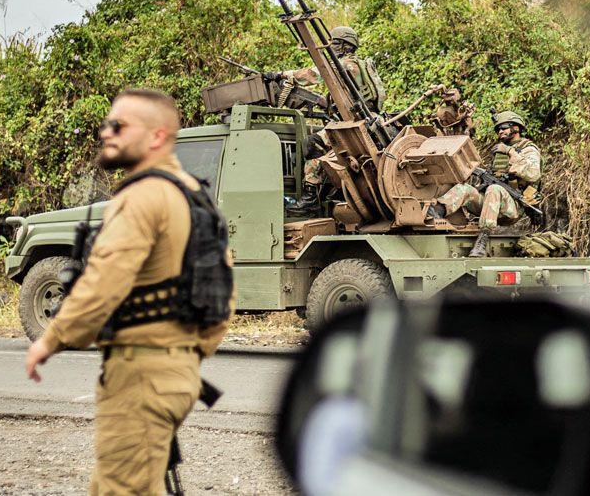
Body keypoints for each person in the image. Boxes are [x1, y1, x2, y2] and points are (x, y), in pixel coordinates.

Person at [24, 89, 233, 493]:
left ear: (156, 137)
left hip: (139, 378)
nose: (107, 132)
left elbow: (103, 283)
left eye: (119, 126)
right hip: (175, 377)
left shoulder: (140, 198)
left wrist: (50, 340)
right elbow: (224, 298)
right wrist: (185, 355)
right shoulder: (196, 196)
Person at [267, 26, 386, 217]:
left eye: (335, 43)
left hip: (354, 123)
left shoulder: (346, 65)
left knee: (311, 145)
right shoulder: (359, 65)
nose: (332, 46)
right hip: (366, 119)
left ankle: (310, 200)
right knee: (325, 150)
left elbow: (311, 74)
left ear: (346, 46)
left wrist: (280, 75)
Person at [427, 111, 542, 257]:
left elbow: (533, 173)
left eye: (504, 127)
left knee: (495, 189)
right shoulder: (499, 151)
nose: (500, 131)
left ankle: (482, 241)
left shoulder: (528, 149)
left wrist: (510, 151)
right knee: (465, 189)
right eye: (498, 129)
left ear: (516, 128)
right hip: (492, 204)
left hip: (513, 207)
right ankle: (437, 212)